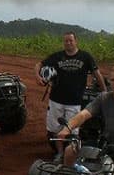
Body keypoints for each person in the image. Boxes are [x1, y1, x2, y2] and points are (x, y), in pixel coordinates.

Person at [35, 31, 106, 160]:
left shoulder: (85, 57)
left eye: (70, 40)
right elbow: (38, 65)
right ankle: (60, 153)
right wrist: (37, 76)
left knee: (73, 130)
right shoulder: (57, 56)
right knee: (56, 129)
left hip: (75, 101)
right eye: (66, 41)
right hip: (56, 99)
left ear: (76, 41)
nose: (68, 43)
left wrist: (104, 92)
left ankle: (72, 154)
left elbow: (97, 74)